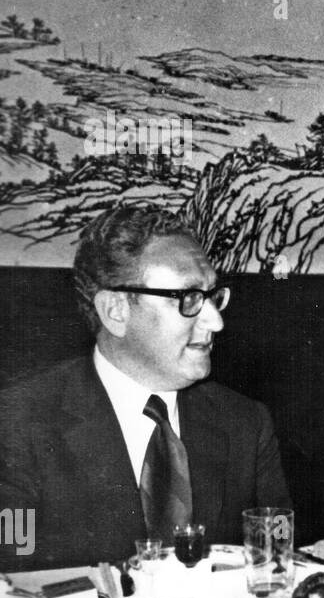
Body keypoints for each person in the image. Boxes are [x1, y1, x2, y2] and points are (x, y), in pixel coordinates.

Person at [0, 204, 289, 572]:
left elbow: (277, 551)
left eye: (213, 296)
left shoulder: (245, 423)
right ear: (116, 311)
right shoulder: (17, 425)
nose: (215, 321)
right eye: (188, 299)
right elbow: (10, 568)